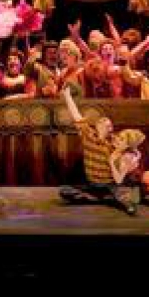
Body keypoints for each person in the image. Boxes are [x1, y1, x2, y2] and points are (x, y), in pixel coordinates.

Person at [58, 87, 138, 216]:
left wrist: (133, 157)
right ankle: (99, 198)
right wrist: (67, 96)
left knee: (127, 199)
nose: (104, 122)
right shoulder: (88, 135)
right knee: (65, 191)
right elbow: (76, 115)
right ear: (96, 125)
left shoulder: (113, 142)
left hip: (109, 184)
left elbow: (132, 149)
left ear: (110, 129)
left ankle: (110, 199)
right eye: (102, 121)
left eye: (108, 123)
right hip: (92, 183)